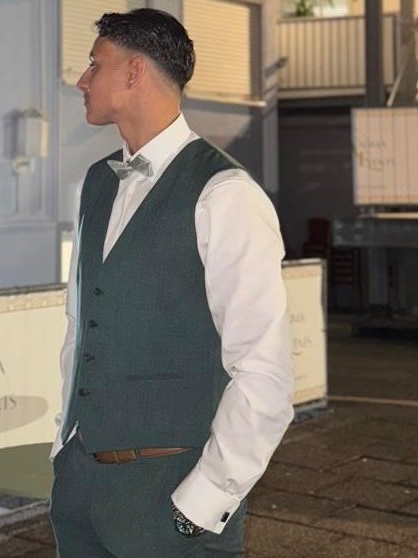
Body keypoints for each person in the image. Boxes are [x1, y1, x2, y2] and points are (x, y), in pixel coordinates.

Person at [50, 8, 294, 557]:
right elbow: (80, 328)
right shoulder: (96, 183)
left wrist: (203, 503)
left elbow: (265, 371)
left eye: (95, 64)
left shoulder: (225, 192)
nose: (83, 80)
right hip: (80, 490)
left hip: (171, 498)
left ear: (134, 72)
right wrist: (63, 450)